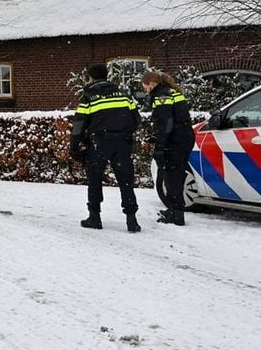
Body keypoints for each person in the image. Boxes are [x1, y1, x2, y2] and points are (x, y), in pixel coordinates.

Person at [71, 63, 141, 233]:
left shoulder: (88, 96)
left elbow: (79, 124)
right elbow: (136, 119)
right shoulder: (123, 94)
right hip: (121, 143)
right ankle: (132, 220)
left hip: (98, 143)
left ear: (91, 78)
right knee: (126, 181)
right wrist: (125, 134)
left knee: (94, 180)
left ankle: (94, 217)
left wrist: (74, 146)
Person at [142, 70, 195, 226]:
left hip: (174, 140)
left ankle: (176, 213)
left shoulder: (161, 95)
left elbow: (165, 122)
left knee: (171, 176)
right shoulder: (173, 92)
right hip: (184, 137)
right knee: (177, 173)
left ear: (151, 84)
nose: (145, 90)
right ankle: (175, 209)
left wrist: (160, 144)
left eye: (145, 86)